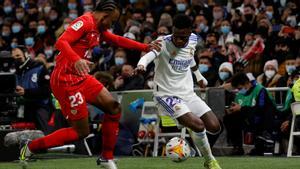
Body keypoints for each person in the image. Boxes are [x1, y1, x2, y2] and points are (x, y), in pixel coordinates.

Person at [19, 1, 160, 169]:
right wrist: (76, 59)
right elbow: (61, 42)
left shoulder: (98, 27)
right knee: (81, 132)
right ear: (105, 16)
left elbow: (116, 39)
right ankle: (30, 147)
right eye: (113, 21)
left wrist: (144, 47)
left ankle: (106, 158)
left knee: (113, 107)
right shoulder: (85, 22)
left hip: (82, 77)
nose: (112, 25)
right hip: (65, 80)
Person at [136, 14, 221, 169]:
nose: (179, 41)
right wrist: (141, 65)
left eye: (183, 37)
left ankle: (189, 127)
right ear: (172, 31)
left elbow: (190, 57)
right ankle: (209, 161)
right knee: (198, 125)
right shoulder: (163, 42)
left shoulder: (194, 39)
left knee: (214, 127)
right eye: (176, 36)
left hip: (187, 93)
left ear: (190, 33)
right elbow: (148, 56)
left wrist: (199, 76)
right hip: (166, 95)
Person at [227, 72, 278, 155]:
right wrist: (232, 110)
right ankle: (237, 147)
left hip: (262, 119)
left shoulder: (260, 90)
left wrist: (241, 108)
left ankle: (261, 143)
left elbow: (261, 109)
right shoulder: (239, 94)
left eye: (240, 88)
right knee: (230, 118)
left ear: (247, 83)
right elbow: (239, 108)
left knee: (265, 112)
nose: (239, 91)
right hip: (248, 118)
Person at [11, 47, 53, 134]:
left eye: (18, 55)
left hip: (40, 107)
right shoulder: (16, 73)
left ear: (26, 54)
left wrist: (26, 92)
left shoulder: (39, 68)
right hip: (23, 109)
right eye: (13, 57)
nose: (16, 59)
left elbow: (47, 90)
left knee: (45, 133)